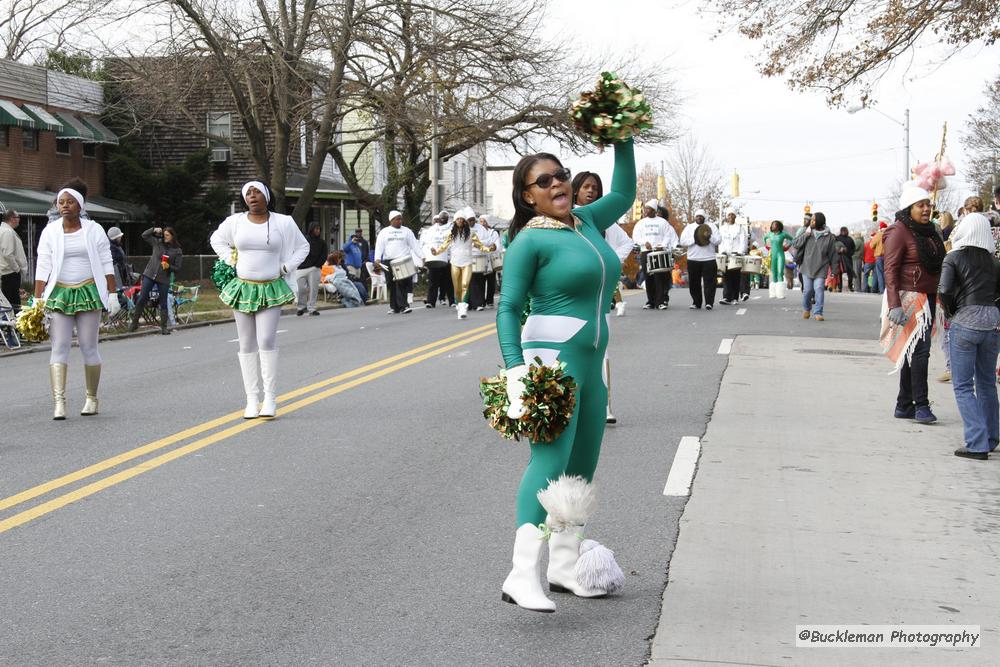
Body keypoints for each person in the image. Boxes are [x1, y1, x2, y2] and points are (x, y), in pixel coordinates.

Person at [497, 137, 634, 613]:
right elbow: (509, 307)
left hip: (592, 363)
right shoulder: (529, 240)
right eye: (544, 181)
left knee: (581, 465)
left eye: (562, 176)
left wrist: (623, 136)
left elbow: (625, 193)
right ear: (526, 196)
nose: (558, 184)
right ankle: (520, 574)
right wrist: (515, 371)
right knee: (549, 465)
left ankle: (563, 565)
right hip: (549, 360)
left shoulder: (587, 221)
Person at [210, 180, 309, 419]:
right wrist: (229, 258)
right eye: (248, 193)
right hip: (243, 288)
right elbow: (216, 239)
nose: (252, 197)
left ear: (266, 196)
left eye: (256, 192)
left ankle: (270, 399)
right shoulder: (235, 222)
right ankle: (251, 400)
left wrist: (287, 266)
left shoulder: (283, 222)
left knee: (265, 340)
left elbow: (302, 247)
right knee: (246, 343)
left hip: (271, 287)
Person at [33, 180, 117, 419]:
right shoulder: (50, 231)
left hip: (88, 291)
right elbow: (43, 265)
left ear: (80, 205)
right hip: (60, 293)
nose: (65, 206)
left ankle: (92, 398)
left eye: (70, 202)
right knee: (59, 346)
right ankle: (59, 402)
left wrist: (112, 293)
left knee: (89, 346)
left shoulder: (94, 230)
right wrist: (37, 298)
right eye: (61, 202)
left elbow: (105, 261)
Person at [937, 212, 1000, 459]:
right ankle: (992, 437)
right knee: (986, 383)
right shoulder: (995, 262)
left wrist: (953, 313)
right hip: (992, 324)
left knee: (963, 386)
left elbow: (944, 291)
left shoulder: (953, 257)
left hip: (965, 322)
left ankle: (976, 442)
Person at [884, 183, 946, 424]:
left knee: (914, 350)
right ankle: (921, 405)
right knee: (921, 351)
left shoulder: (930, 231)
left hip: (930, 296)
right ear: (909, 208)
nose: (926, 209)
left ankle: (903, 403)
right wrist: (894, 304)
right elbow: (890, 269)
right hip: (910, 297)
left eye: (928, 204)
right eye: (921, 205)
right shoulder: (898, 231)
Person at [430, 207, 486, 319]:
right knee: (457, 287)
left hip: (467, 262)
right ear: (455, 221)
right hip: (455, 262)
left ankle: (463, 308)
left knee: (465, 284)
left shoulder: (471, 233)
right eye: (458, 219)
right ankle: (459, 305)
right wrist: (435, 252)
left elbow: (480, 246)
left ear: (464, 221)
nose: (460, 221)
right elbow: (443, 246)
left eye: (462, 219)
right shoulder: (451, 234)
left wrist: (490, 248)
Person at [127, 226, 181, 335]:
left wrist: (169, 266)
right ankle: (134, 323)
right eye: (164, 235)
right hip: (150, 275)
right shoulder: (157, 243)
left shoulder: (177, 251)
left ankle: (164, 327)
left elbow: (178, 268)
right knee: (142, 297)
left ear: (172, 236)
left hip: (163, 279)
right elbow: (144, 235)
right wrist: (153, 230)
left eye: (167, 235)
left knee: (163, 302)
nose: (165, 237)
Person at [792, 212, 840, 321]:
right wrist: (805, 235)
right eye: (811, 220)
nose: (811, 222)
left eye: (813, 220)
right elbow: (795, 244)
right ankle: (807, 309)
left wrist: (834, 270)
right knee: (807, 290)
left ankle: (818, 312)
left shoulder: (829, 237)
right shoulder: (806, 231)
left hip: (821, 267)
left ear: (819, 222)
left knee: (819, 288)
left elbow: (833, 254)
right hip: (806, 266)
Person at [374, 211, 423, 315]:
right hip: (388, 260)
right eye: (397, 219)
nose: (399, 221)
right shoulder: (384, 232)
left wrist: (422, 256)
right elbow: (379, 246)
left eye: (400, 219)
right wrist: (377, 258)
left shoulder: (407, 231)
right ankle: (394, 307)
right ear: (391, 220)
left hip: (403, 260)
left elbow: (415, 245)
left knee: (400, 283)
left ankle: (404, 306)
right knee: (391, 284)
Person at [631, 199, 677, 310]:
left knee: (659, 277)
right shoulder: (641, 223)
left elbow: (668, 236)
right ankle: (650, 301)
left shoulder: (662, 222)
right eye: (645, 208)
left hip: (658, 252)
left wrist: (663, 245)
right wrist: (644, 243)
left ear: (654, 210)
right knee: (648, 277)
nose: (646, 211)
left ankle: (660, 302)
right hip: (645, 253)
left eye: (648, 209)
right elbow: (635, 237)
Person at [679, 209, 721, 310]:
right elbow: (682, 241)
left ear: (704, 217)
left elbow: (718, 240)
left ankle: (709, 302)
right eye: (697, 216)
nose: (699, 218)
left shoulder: (711, 226)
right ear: (695, 217)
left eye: (701, 216)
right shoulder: (690, 227)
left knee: (710, 282)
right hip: (693, 258)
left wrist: (709, 237)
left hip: (709, 258)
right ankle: (696, 302)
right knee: (694, 282)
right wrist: (696, 238)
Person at [421, 212, 454, 308]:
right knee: (433, 280)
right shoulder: (432, 229)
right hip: (434, 257)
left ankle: (452, 301)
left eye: (445, 217)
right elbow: (427, 242)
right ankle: (431, 301)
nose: (443, 219)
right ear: (438, 218)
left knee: (448, 280)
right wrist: (430, 249)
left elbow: (453, 242)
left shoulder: (451, 229)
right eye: (441, 217)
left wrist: (449, 254)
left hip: (447, 258)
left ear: (448, 218)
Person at [296, 222, 328, 316]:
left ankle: (312, 308)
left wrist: (317, 265)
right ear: (311, 229)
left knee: (314, 289)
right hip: (301, 268)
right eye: (316, 229)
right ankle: (301, 306)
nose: (317, 231)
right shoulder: (304, 240)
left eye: (319, 229)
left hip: (314, 268)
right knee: (300, 289)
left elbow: (324, 255)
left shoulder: (322, 242)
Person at [469, 214, 500, 311]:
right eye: (481, 221)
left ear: (488, 222)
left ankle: (489, 300)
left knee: (490, 281)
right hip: (480, 259)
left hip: (490, 258)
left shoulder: (492, 232)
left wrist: (485, 246)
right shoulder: (477, 231)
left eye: (484, 221)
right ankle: (480, 301)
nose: (482, 223)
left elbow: (496, 244)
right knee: (480, 281)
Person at [718, 210, 749, 305]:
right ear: (727, 217)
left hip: (736, 255)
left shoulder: (740, 228)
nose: (731, 216)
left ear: (735, 217)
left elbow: (743, 241)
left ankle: (735, 298)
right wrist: (722, 251)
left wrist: (740, 252)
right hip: (726, 255)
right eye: (729, 215)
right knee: (726, 276)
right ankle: (726, 297)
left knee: (736, 276)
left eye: (732, 214)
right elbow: (721, 240)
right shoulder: (722, 228)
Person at [0, 210, 27, 312]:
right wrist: (17, 269)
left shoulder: (5, 230)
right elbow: (8, 254)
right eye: (18, 217)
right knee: (12, 304)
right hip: (10, 273)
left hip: (8, 273)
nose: (19, 220)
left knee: (10, 303)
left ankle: (11, 325)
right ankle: (12, 326)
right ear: (12, 218)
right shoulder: (7, 232)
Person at [763, 220, 793, 298]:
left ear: (779, 226)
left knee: (780, 272)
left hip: (780, 255)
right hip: (772, 255)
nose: (773, 226)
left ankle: (781, 294)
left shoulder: (783, 234)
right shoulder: (770, 234)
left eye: (775, 225)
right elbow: (764, 238)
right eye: (772, 225)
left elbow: (792, 239)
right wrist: (767, 246)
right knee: (774, 274)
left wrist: (787, 246)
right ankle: (773, 293)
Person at [833, 226, 856, 292]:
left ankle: (842, 287)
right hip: (845, 257)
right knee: (847, 272)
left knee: (842, 272)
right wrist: (850, 254)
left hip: (841, 257)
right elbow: (853, 249)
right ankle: (848, 286)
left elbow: (853, 248)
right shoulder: (849, 239)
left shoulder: (838, 238)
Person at [871, 220, 888, 293]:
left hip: (879, 256)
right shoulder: (890, 234)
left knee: (880, 273)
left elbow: (871, 245)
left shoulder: (878, 235)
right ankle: (888, 290)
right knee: (887, 273)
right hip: (888, 257)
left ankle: (882, 290)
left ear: (880, 228)